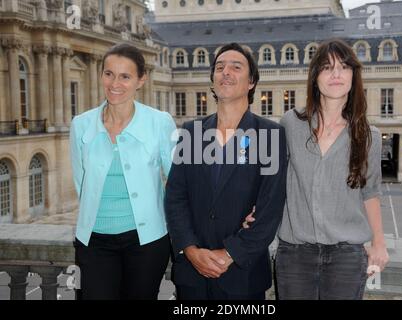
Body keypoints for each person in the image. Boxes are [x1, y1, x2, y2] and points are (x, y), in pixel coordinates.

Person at [245, 39, 389, 300]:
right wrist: (254, 207)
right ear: (315, 77)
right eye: (326, 67)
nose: (336, 74)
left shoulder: (368, 136)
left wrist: (379, 243)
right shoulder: (291, 123)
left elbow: (370, 193)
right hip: (296, 253)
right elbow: (272, 177)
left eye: (344, 67)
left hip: (347, 255)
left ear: (353, 76)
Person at [164, 43, 287, 300]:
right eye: (219, 67)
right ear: (212, 79)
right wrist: (190, 250)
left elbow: (270, 209)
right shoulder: (191, 132)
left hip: (243, 275)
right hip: (191, 274)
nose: (226, 72)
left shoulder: (270, 135)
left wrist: (229, 254)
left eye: (236, 66)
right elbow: (175, 197)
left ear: (251, 82)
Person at [70, 43, 177, 300]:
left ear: (141, 80)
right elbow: (80, 182)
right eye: (109, 74)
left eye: (125, 76)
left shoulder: (160, 122)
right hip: (94, 241)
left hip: (147, 241)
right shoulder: (80, 124)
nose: (114, 83)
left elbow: (177, 181)